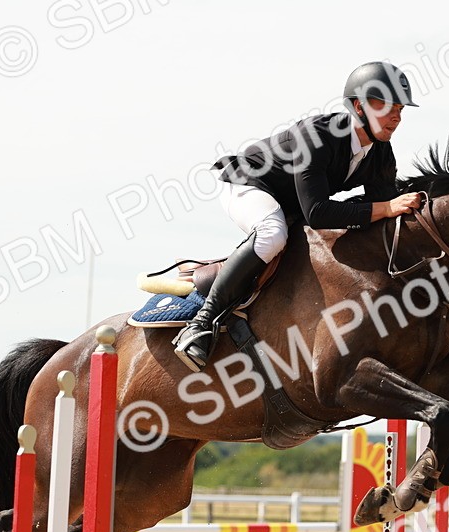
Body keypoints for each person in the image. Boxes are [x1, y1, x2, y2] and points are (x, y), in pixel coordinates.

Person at [173, 61, 426, 372]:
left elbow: (382, 216)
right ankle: (201, 323)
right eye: (387, 106)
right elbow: (319, 213)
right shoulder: (317, 136)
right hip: (248, 184)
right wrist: (387, 208)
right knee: (272, 233)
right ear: (359, 106)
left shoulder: (381, 154)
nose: (397, 117)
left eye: (401, 108)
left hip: (292, 204)